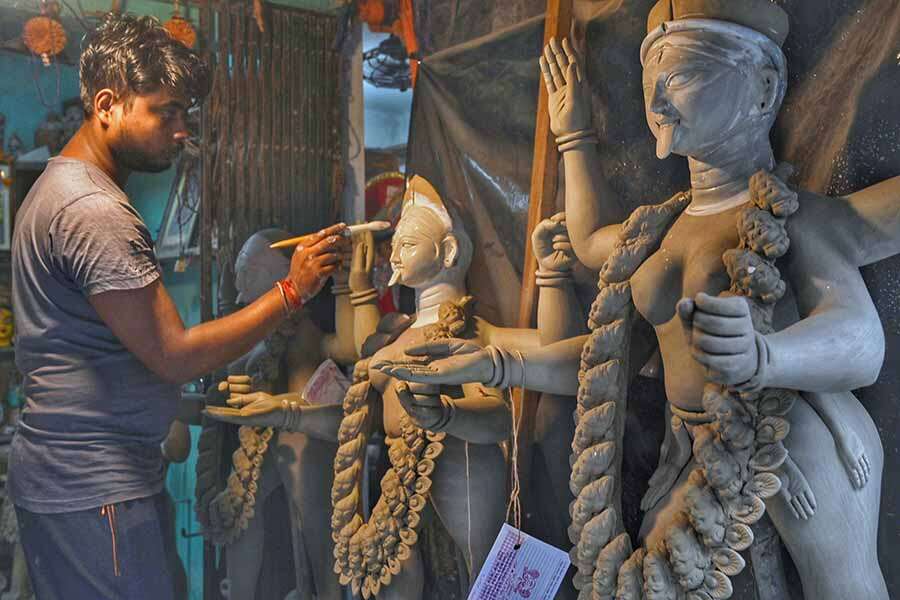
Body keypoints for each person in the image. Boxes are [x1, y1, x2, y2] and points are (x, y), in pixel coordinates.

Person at [8, 13, 345, 599]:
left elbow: (102, 352)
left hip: (79, 482)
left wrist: (187, 405)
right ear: (108, 104)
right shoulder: (94, 212)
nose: (182, 129)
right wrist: (292, 291)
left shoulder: (58, 188)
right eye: (165, 111)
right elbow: (173, 354)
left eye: (185, 113)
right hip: (97, 493)